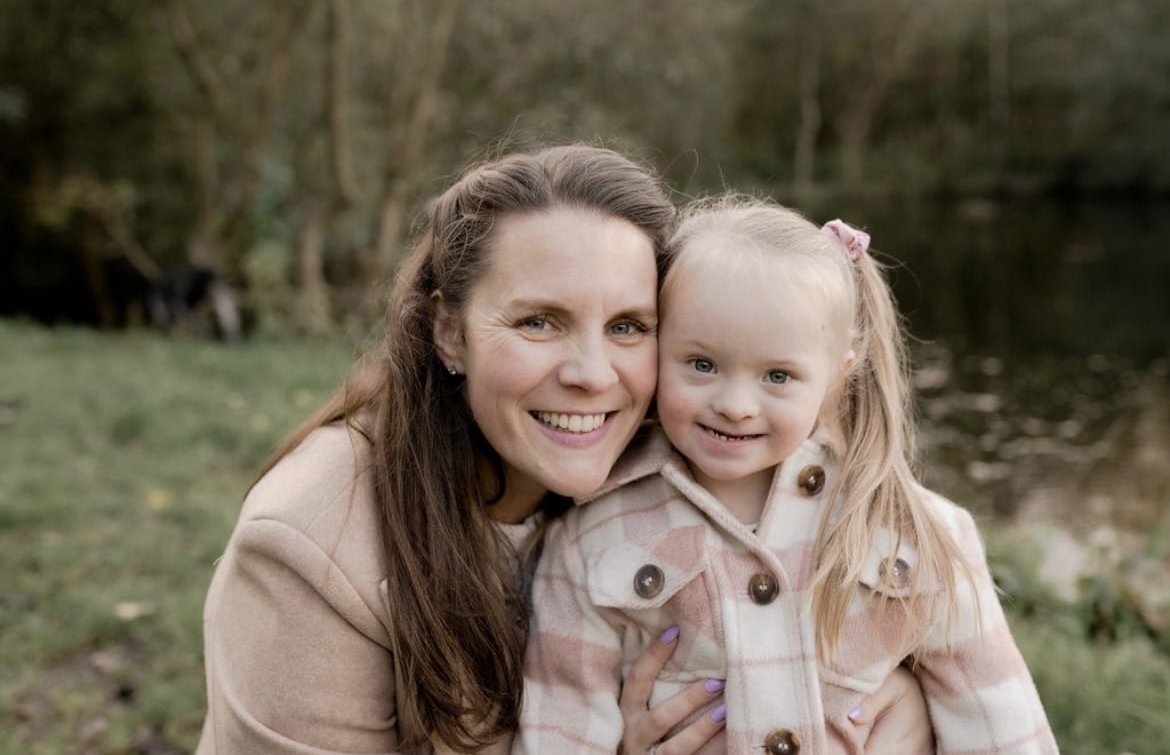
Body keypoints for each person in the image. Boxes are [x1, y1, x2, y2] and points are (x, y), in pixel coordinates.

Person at [195, 147, 937, 755]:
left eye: (627, 326)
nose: (591, 373)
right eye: (540, 322)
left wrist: (880, 694)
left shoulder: (693, 453)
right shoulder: (310, 553)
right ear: (449, 332)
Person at [514, 197, 1058, 755]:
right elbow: (561, 726)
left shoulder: (915, 530)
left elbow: (1001, 726)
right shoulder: (592, 537)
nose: (736, 404)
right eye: (701, 364)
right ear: (658, 347)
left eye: (778, 375)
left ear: (835, 376)